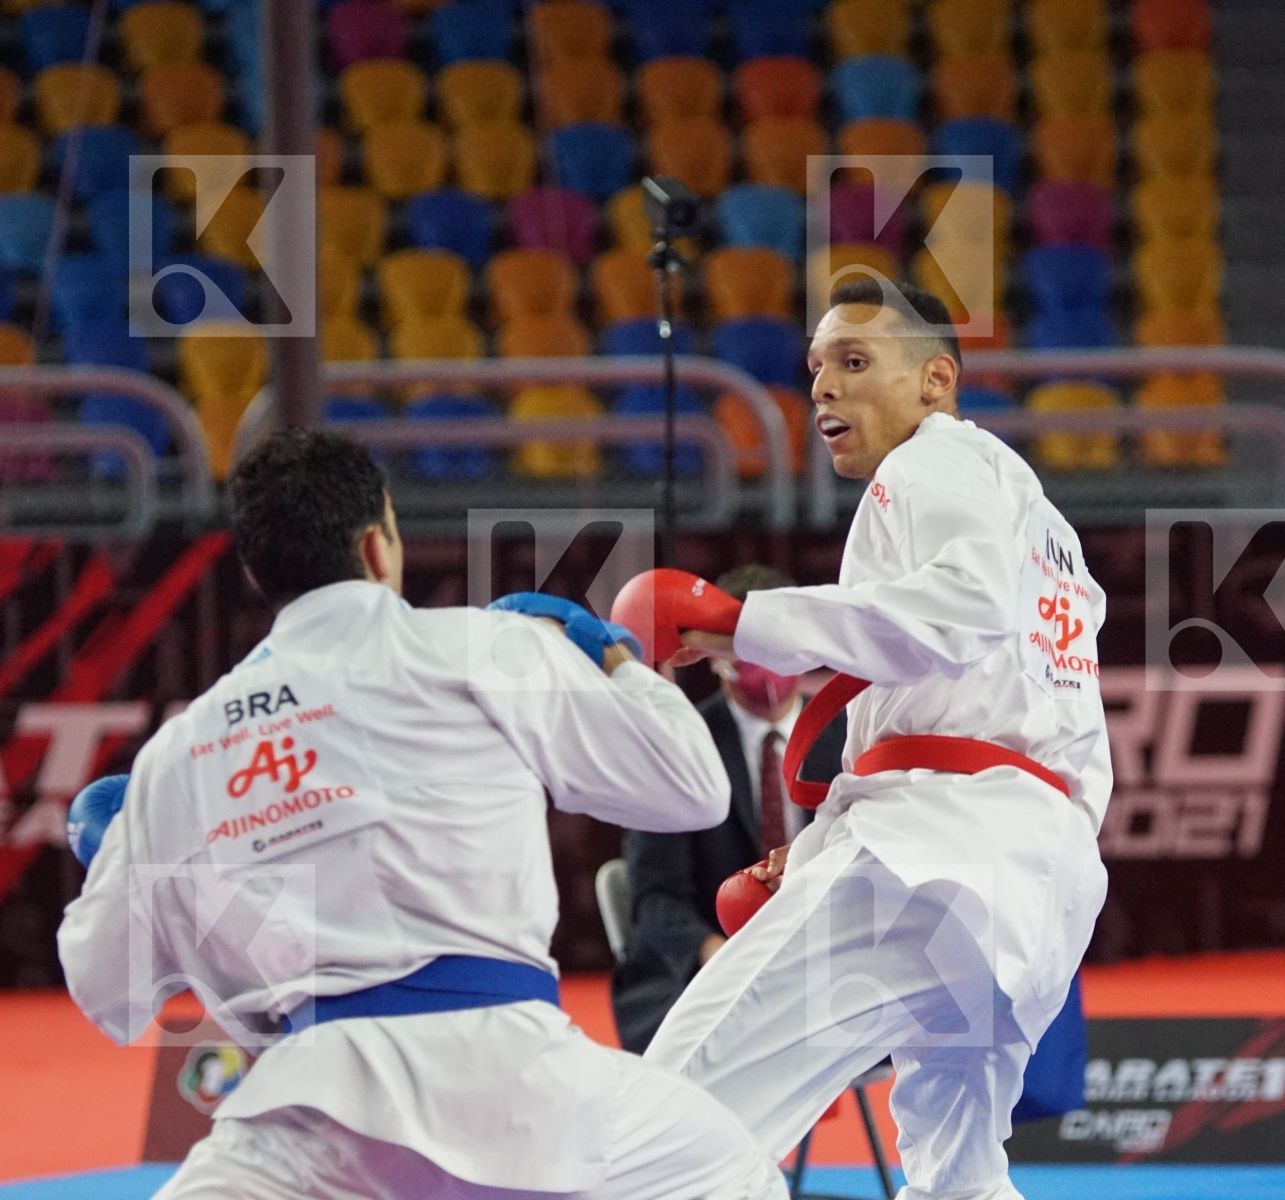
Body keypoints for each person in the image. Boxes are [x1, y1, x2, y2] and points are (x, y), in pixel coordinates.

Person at [57, 429, 786, 1200]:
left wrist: (127, 857)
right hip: (523, 1088)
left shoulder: (186, 750)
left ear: (253, 571)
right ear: (378, 545)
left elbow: (105, 986)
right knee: (730, 1170)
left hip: (310, 1117)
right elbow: (694, 790)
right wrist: (613, 660)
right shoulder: (489, 646)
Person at [645, 279, 1113, 1200]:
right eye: (816, 368)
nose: (824, 388)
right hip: (1031, 884)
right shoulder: (1044, 529)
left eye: (855, 364)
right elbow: (957, 693)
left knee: (670, 1122)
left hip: (931, 859)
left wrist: (744, 623)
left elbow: (959, 612)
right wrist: (818, 847)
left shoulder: (930, 465)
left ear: (936, 381)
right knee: (961, 1178)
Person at [610, 564, 847, 1054]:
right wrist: (721, 956)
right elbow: (656, 897)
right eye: (748, 646)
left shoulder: (851, 740)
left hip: (831, 966)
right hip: (713, 970)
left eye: (778, 644)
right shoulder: (676, 746)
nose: (768, 662)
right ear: (713, 655)